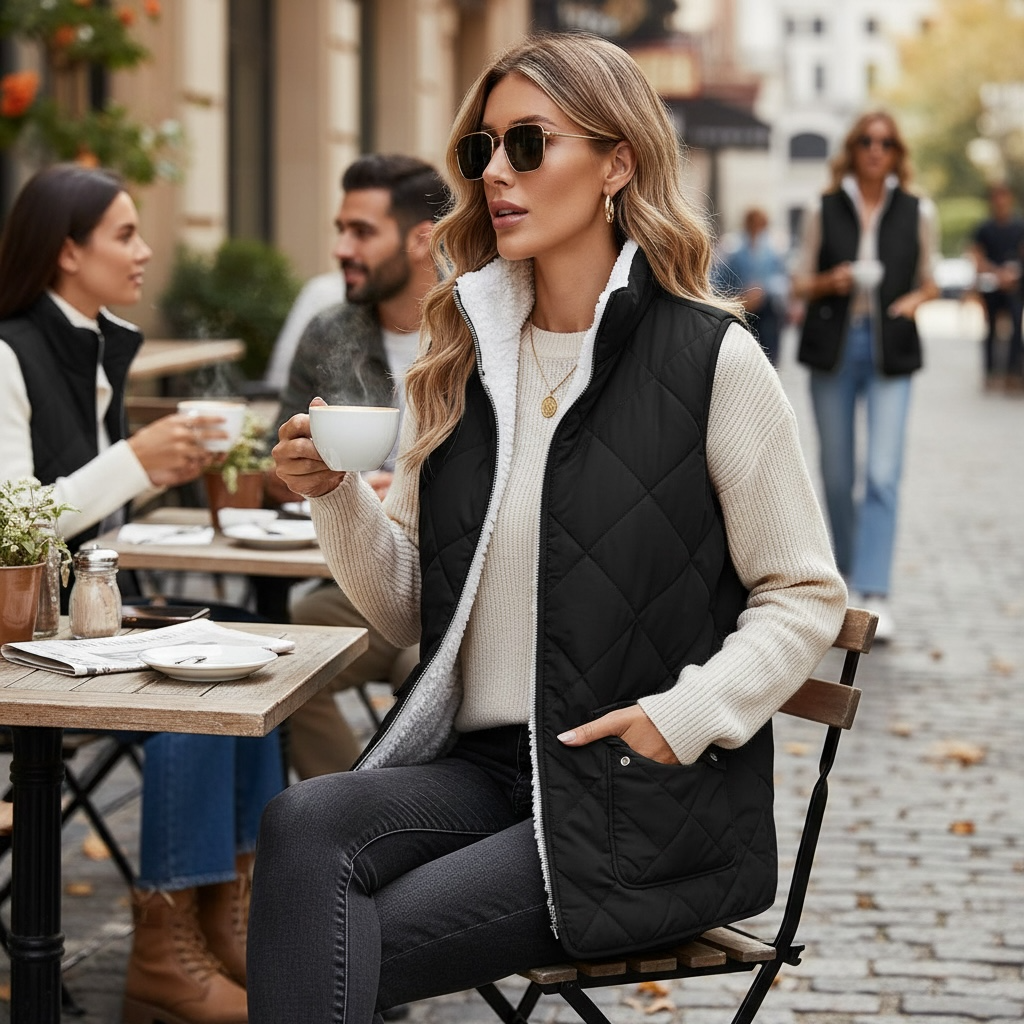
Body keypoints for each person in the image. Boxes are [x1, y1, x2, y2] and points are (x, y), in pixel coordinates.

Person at [249, 32, 847, 1024]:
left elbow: (804, 593)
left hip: (636, 791)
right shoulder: (462, 358)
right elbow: (406, 610)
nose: (496, 172)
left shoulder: (711, 360)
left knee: (332, 939)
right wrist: (336, 493)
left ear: (616, 163)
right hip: (485, 770)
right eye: (482, 148)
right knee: (304, 823)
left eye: (528, 144)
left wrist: (682, 717)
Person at [0, 163, 284, 1024]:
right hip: (20, 637)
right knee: (193, 688)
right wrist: (135, 462)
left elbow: (95, 522)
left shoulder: (96, 346)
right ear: (66, 251)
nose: (146, 251)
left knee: (246, 651)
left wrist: (157, 474)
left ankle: (222, 922)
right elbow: (13, 523)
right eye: (125, 234)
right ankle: (163, 957)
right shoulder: (7, 354)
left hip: (81, 624)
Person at [266, 154, 449, 778]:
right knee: (285, 651)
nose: (342, 248)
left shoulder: (478, 329)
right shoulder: (329, 331)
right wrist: (301, 468)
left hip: (457, 591)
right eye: (341, 229)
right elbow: (275, 466)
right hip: (360, 577)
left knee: (426, 672)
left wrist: (409, 492)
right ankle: (345, 808)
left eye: (362, 232)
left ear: (421, 239)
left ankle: (411, 815)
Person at [791, 111, 939, 643]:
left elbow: (931, 281)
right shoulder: (823, 207)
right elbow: (798, 283)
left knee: (882, 473)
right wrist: (829, 282)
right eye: (867, 141)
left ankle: (875, 592)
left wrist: (912, 302)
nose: (877, 150)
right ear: (853, 149)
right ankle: (849, 578)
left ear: (897, 152)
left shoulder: (918, 210)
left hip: (890, 349)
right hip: (833, 347)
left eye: (887, 142)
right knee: (836, 474)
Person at [711, 206, 788, 366]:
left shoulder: (773, 248)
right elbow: (718, 281)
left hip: (767, 309)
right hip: (742, 308)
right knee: (745, 357)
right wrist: (740, 298)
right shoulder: (733, 248)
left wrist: (762, 290)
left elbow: (782, 280)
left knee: (768, 356)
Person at [968, 182, 1024, 391]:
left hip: (1014, 286)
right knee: (990, 329)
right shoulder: (984, 228)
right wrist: (996, 273)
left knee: (1016, 327)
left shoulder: (1019, 226)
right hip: (991, 285)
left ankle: (1014, 373)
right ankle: (990, 372)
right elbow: (976, 256)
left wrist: (1011, 274)